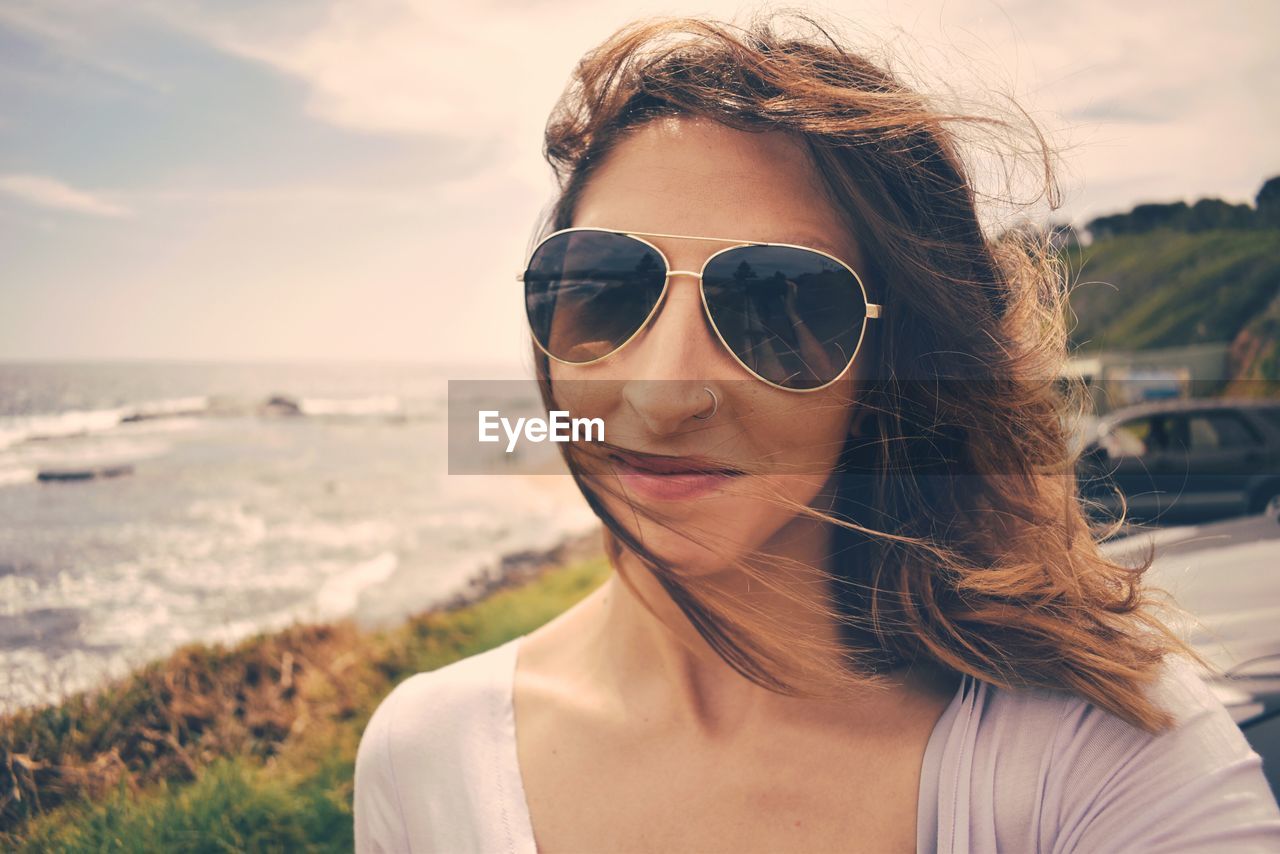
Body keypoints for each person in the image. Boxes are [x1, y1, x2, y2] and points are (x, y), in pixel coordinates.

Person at [355, 12, 1280, 853]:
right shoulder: (428, 756)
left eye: (778, 305)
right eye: (605, 285)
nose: (664, 393)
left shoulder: (1098, 761)